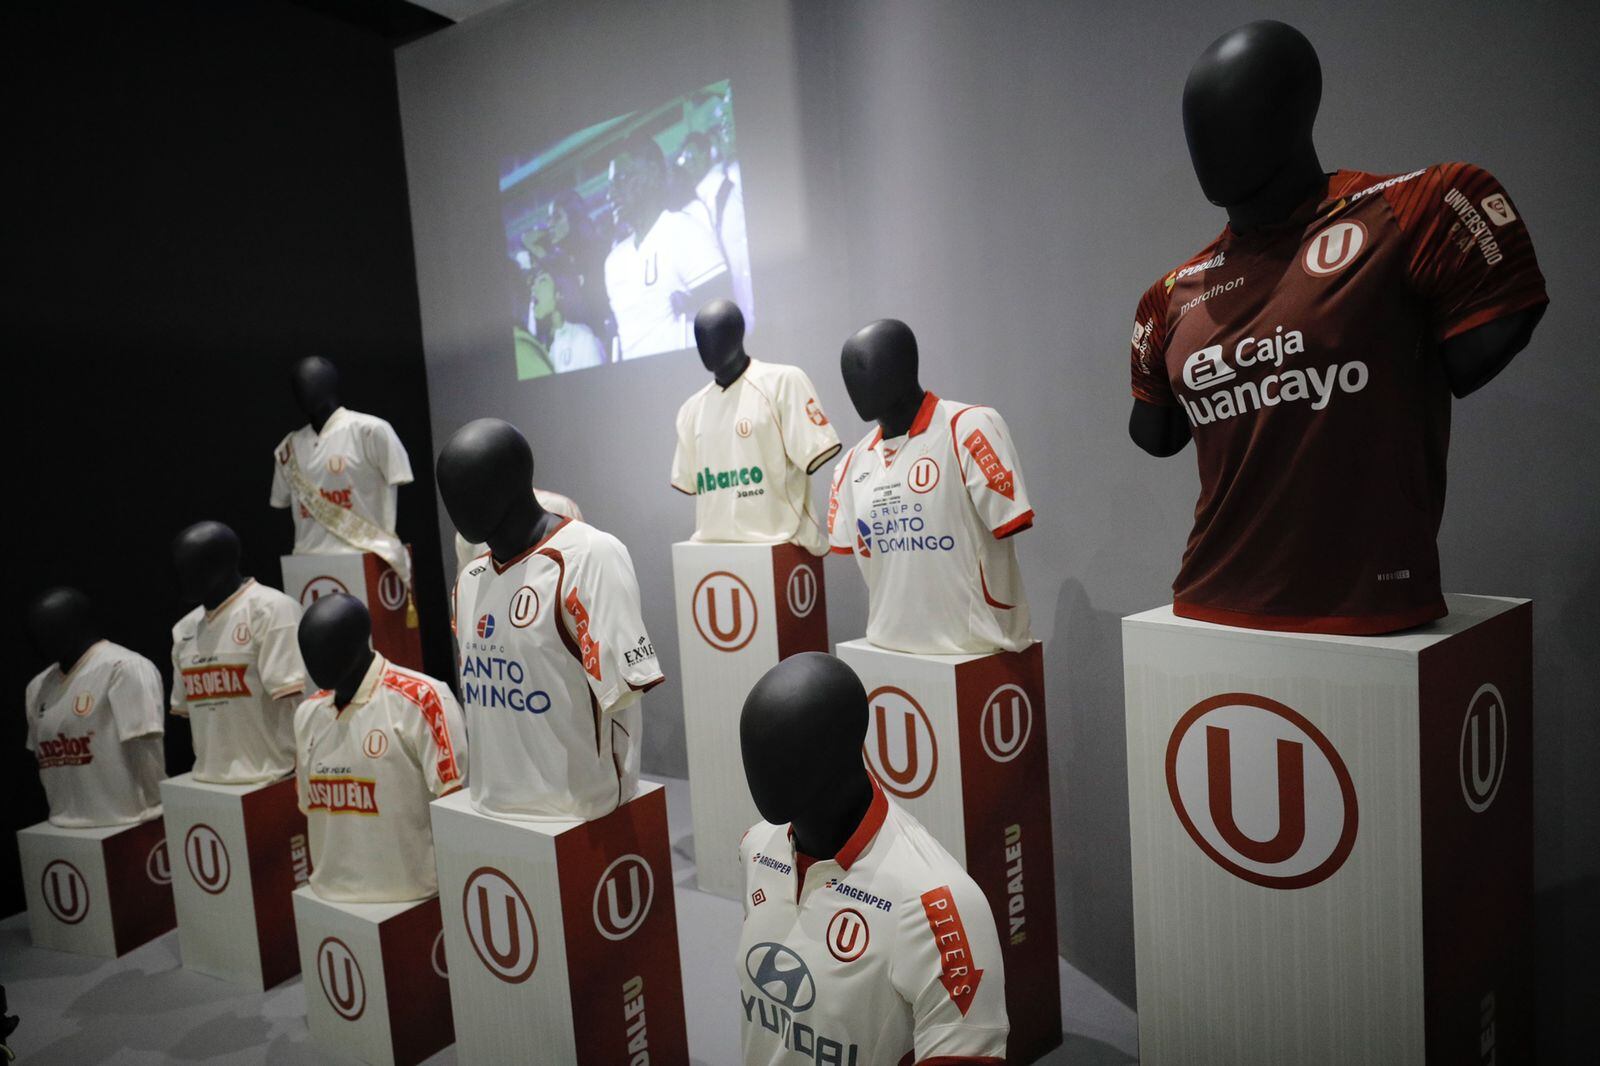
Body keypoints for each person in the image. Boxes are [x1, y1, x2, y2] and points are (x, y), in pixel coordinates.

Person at [604, 128, 732, 359]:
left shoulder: (684, 230)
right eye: (610, 185)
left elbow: (726, 318)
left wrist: (697, 305)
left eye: (622, 178)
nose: (610, 193)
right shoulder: (613, 262)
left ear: (653, 174)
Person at [530, 265, 605, 373]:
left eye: (542, 281)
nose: (533, 288)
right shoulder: (533, 346)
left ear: (559, 294)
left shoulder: (583, 339)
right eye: (533, 283)